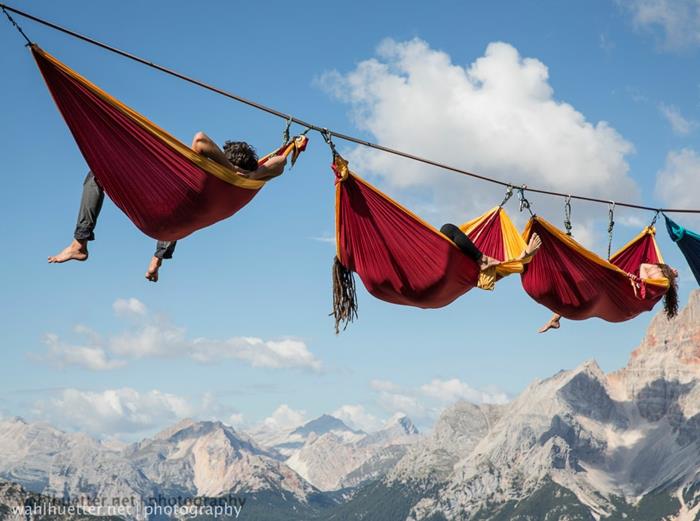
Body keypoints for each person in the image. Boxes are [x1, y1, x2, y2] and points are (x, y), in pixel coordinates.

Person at [48, 132, 287, 281]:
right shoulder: (250, 182)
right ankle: (156, 260)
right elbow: (280, 162)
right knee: (184, 205)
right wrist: (249, 172)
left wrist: (225, 168)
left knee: (97, 174)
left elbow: (200, 139)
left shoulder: (209, 175)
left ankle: (80, 243)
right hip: (176, 227)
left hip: (158, 217)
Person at [538, 262, 680, 333]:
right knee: (587, 286)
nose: (675, 270)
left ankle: (556, 317)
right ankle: (555, 318)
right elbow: (643, 279)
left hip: (625, 293)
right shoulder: (660, 278)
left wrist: (637, 281)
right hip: (625, 290)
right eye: (674, 270)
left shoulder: (662, 282)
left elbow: (643, 290)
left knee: (589, 284)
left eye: (674, 272)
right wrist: (638, 281)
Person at [440, 223, 542, 276]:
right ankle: (482, 259)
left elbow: (496, 271)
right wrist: (524, 255)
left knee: (447, 230)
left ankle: (482, 259)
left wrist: (525, 255)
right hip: (442, 274)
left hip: (442, 276)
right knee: (447, 229)